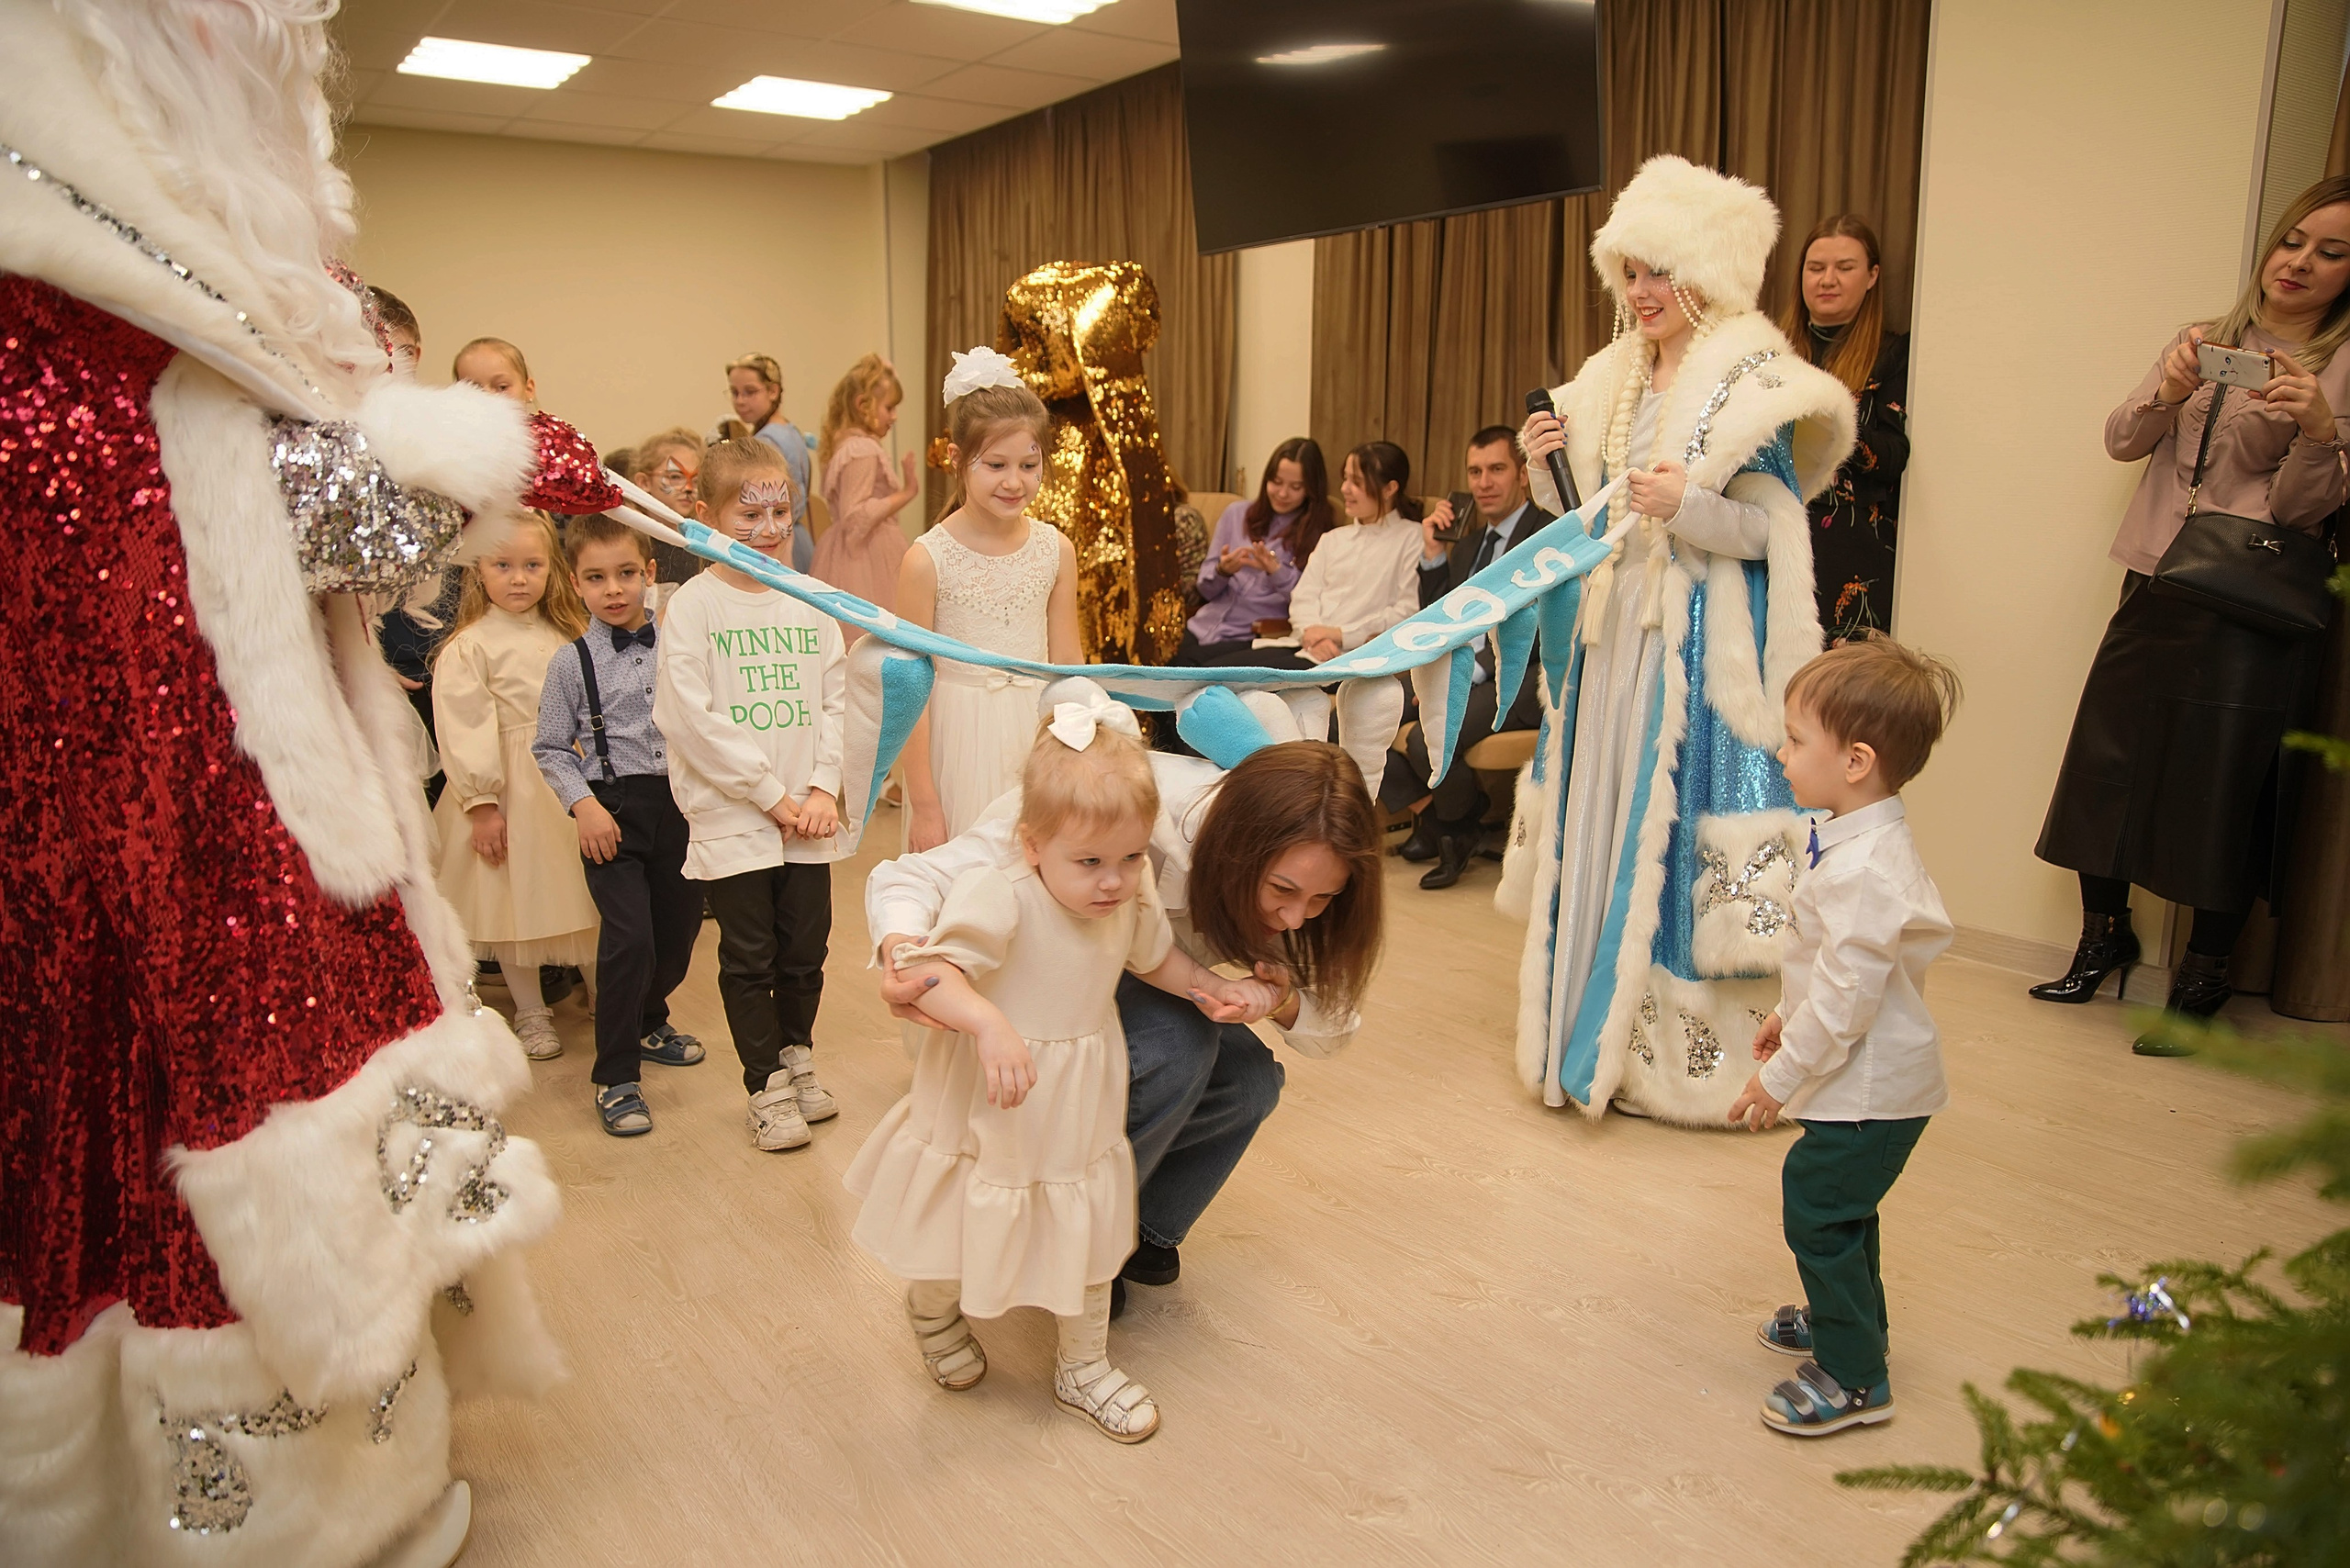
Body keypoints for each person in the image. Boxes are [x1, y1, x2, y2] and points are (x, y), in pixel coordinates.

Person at [0, 5, 573, 1555]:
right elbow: (140, 529)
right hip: (151, 825)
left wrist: (436, 453)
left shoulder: (200, 281)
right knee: (170, 1129)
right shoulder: (48, 304)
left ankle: (348, 1470)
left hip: (278, 798)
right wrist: (449, 459)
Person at [1510, 155, 1856, 1126]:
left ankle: (1682, 1064)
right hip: (1610, 636)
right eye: (1629, 271)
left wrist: (1691, 508)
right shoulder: (1606, 376)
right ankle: (1582, 1029)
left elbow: (1770, 529)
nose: (1641, 291)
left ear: (1707, 272)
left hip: (1695, 652)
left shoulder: (1753, 380)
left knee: (1662, 829)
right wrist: (1550, 470)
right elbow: (1590, 517)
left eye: (1659, 270)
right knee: (1600, 815)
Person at [846, 696, 1281, 1442]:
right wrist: (988, 1023)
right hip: (998, 1099)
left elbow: (1156, 957)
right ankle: (933, 1310)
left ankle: (1083, 1366)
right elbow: (937, 973)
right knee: (962, 1217)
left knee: (1088, 1226)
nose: (1113, 881)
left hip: (1080, 1098)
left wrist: (1213, 988)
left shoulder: (1125, 893)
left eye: (1130, 858)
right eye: (1090, 862)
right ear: (1032, 843)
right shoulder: (1003, 891)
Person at [872, 716, 1385, 1315]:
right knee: (1179, 1040)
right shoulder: (1115, 797)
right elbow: (916, 876)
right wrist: (901, 951)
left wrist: (1278, 997)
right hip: (1042, 1003)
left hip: (1142, 980)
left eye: (1323, 900)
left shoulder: (1300, 855)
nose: (1298, 918)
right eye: (1283, 890)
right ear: (1238, 849)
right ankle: (1069, 1243)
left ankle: (1142, 1231)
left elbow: (1332, 1023)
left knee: (1249, 1082)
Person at [2031, 178, 2350, 1050]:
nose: (2301, 262)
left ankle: (2204, 974)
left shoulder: (2342, 358)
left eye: (2332, 252)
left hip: (2252, 597)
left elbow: (2300, 509)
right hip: (2158, 573)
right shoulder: (2205, 336)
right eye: (2295, 240)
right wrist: (2171, 388)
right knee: (2110, 757)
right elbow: (2123, 440)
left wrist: (2319, 429)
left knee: (2220, 783)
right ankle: (2103, 937)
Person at [1725, 637, 1960, 1437]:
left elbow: (1849, 1001)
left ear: (1856, 760)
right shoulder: (1857, 841)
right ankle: (1848, 1321)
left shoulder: (1866, 868)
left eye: (1795, 739)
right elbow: (1837, 970)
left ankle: (1858, 1377)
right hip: (1868, 1079)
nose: (1781, 752)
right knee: (1844, 1208)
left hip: (1871, 1089)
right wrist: (1790, 1012)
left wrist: (1780, 1076)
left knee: (1819, 1208)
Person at [654, 438, 848, 1151]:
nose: (769, 529)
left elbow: (837, 701)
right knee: (750, 955)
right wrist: (769, 794)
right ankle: (764, 1084)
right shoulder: (694, 608)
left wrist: (823, 786)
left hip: (810, 815)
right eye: (750, 513)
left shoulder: (811, 604)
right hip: (736, 816)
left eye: (782, 512)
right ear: (705, 515)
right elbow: (688, 717)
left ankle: (797, 1055)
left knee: (805, 949)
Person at [533, 514, 708, 1138]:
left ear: (651, 575)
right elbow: (551, 747)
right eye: (597, 577)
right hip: (611, 813)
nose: (615, 589)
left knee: (679, 932)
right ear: (575, 583)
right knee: (629, 940)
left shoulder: (681, 642)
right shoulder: (568, 663)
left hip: (682, 807)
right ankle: (616, 1074)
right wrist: (583, 805)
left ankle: (648, 1018)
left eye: (627, 574)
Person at [431, 513, 600, 1061]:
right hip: (508, 791)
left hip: (570, 782)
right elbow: (463, 727)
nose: (519, 578)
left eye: (532, 565)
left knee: (590, 893)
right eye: (503, 565)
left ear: (553, 570)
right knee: (511, 906)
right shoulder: (469, 646)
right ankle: (530, 1010)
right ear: (479, 572)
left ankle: (608, 994)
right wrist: (481, 804)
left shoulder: (571, 635)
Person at [897, 348, 1082, 851]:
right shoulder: (926, 560)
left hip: (1034, 740)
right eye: (995, 464)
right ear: (956, 460)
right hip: (956, 743)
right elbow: (909, 690)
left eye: (1029, 464)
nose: (1014, 481)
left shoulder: (1055, 550)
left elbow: (1069, 666)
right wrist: (925, 804)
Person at [1381, 425, 1556, 890]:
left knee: (1427, 738)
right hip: (1466, 668)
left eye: (1497, 469)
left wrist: (1463, 677)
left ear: (1522, 474)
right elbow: (1443, 616)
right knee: (1362, 703)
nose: (1484, 482)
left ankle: (1456, 830)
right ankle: (1442, 815)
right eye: (1475, 472)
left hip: (1520, 675)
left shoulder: (1546, 533)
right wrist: (1435, 553)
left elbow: (1544, 626)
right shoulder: (1473, 542)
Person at [1778, 216, 1910, 644]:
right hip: (1769, 549)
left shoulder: (1895, 353)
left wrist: (1828, 417)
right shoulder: (1768, 351)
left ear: (1872, 275)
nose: (1827, 280)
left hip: (1851, 563)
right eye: (1815, 268)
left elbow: (1894, 456)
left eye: (1844, 267)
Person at [1176, 437, 1333, 666]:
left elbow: (1310, 600)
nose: (1282, 493)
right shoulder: (1236, 514)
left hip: (1253, 635)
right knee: (1150, 662)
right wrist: (1223, 571)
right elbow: (1205, 589)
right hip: (1203, 624)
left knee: (1186, 670)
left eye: (1295, 487)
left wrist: (1276, 571)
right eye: (1276, 482)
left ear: (1311, 489)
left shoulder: (1320, 535)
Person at [1287, 441, 1426, 666]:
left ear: (1389, 489)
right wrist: (1313, 636)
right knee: (1218, 670)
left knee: (1234, 681)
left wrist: (1340, 634)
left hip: (1358, 657)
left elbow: (1407, 611)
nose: (1344, 489)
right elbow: (1304, 596)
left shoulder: (1412, 537)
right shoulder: (1332, 539)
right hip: (1307, 649)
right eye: (1345, 478)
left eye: (1357, 482)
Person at [813, 352, 920, 635]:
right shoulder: (861, 450)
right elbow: (856, 517)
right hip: (865, 555)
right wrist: (908, 492)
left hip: (849, 551)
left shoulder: (846, 445)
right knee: (875, 633)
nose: (894, 416)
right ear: (863, 406)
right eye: (889, 408)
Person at [724, 351, 816, 573]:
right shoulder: (791, 430)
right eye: (735, 393)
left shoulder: (766, 440)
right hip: (800, 538)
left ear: (773, 391)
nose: (740, 401)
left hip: (778, 542)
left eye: (750, 392)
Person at [628, 426, 711, 605]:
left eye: (695, 480)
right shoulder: (629, 540)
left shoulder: (705, 544)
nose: (688, 488)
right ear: (643, 482)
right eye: (674, 477)